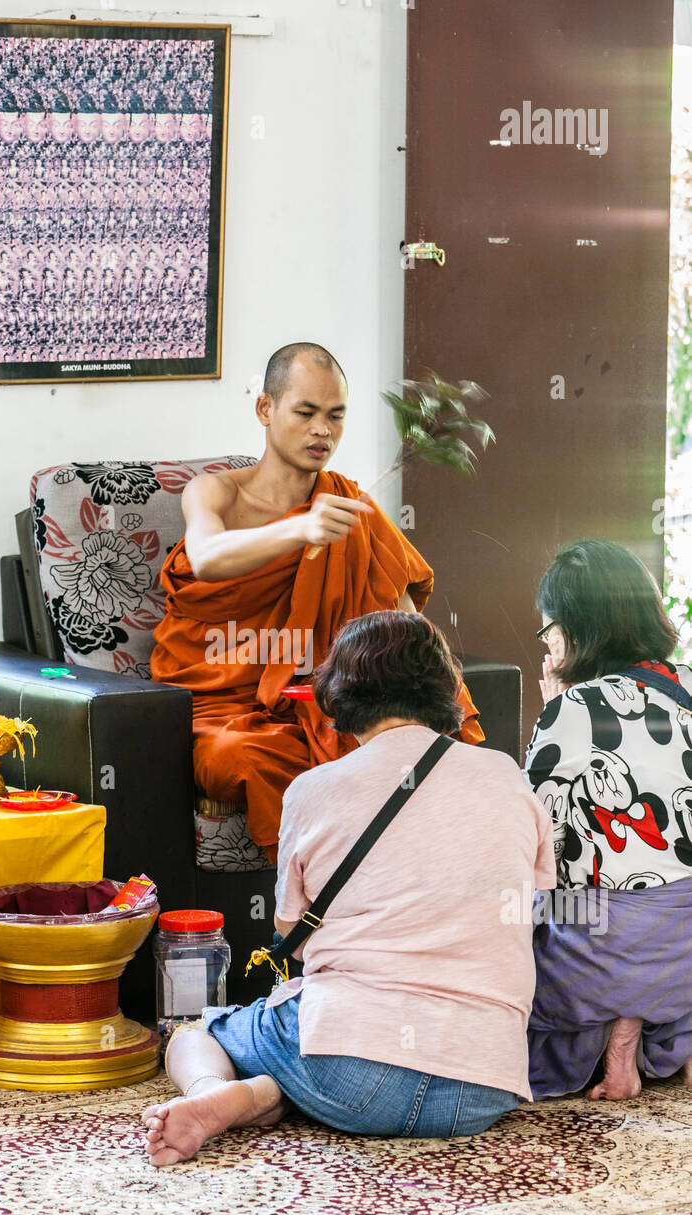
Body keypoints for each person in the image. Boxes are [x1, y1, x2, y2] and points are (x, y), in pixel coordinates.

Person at [142, 610, 554, 1165]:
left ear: (338, 696)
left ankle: (215, 1094)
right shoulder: (507, 775)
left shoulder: (314, 788)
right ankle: (270, 1091)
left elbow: (292, 933)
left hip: (349, 1070)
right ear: (445, 688)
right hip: (483, 1086)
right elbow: (531, 908)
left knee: (196, 1034)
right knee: (315, 1061)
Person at [150, 342, 484, 861]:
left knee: (399, 740)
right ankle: (329, 883)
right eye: (305, 413)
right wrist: (300, 530)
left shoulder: (349, 505)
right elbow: (209, 556)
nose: (321, 431)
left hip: (327, 701)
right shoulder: (217, 492)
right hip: (224, 708)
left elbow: (404, 625)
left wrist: (426, 696)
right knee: (228, 755)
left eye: (335, 416)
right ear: (266, 409)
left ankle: (399, 884)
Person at [524, 540, 692, 1100]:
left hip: (611, 937)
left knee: (517, 905)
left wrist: (556, 712)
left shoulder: (572, 709)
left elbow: (534, 843)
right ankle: (650, 1027)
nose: (547, 641)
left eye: (548, 627)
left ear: (574, 628)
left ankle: (612, 1024)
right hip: (684, 940)